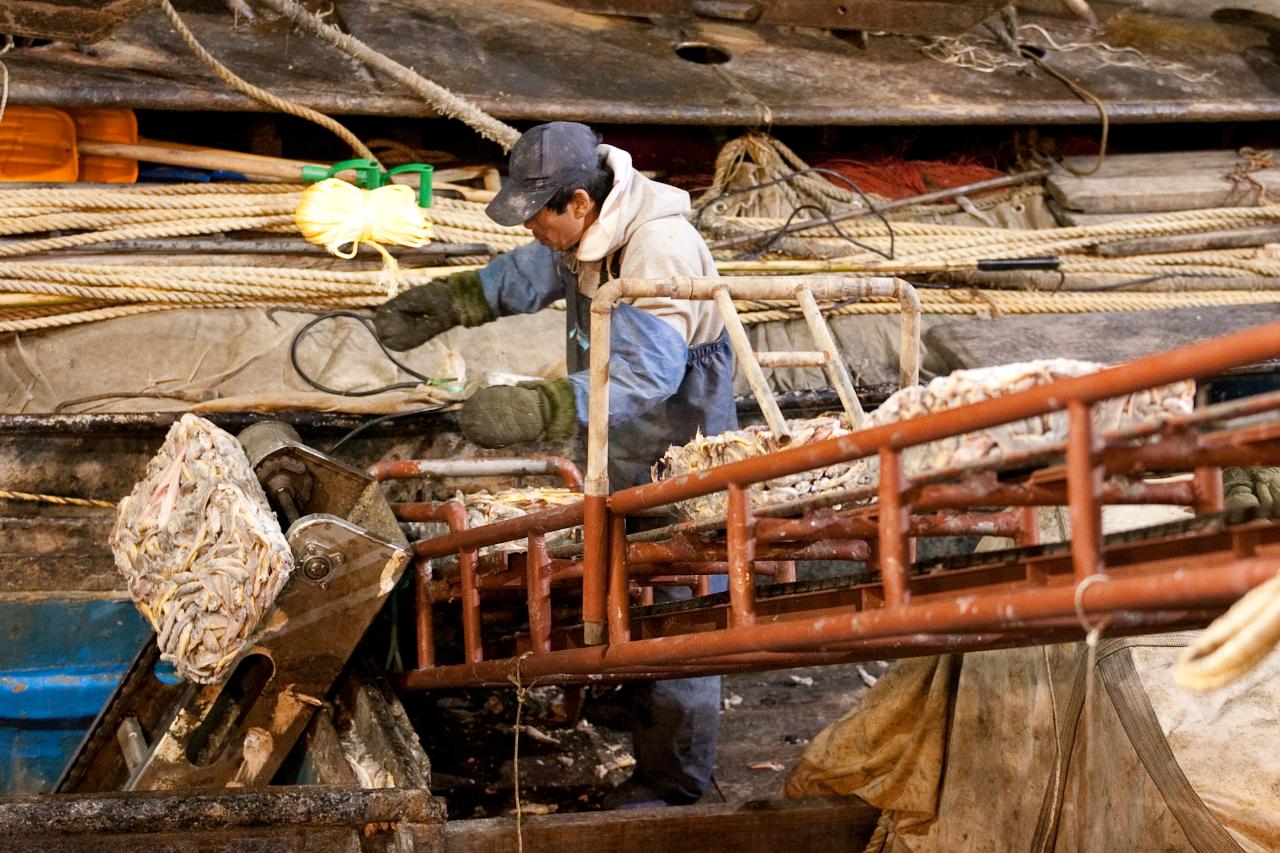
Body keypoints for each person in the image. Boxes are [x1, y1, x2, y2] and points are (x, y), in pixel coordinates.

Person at [373, 121, 736, 808]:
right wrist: (456, 302)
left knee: (684, 606)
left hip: (681, 437)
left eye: (540, 214)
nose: (534, 229)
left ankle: (677, 780)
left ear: (577, 201)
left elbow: (643, 376)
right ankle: (634, 708)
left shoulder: (657, 249)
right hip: (621, 443)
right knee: (627, 578)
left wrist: (537, 408)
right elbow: (534, 269)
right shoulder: (585, 229)